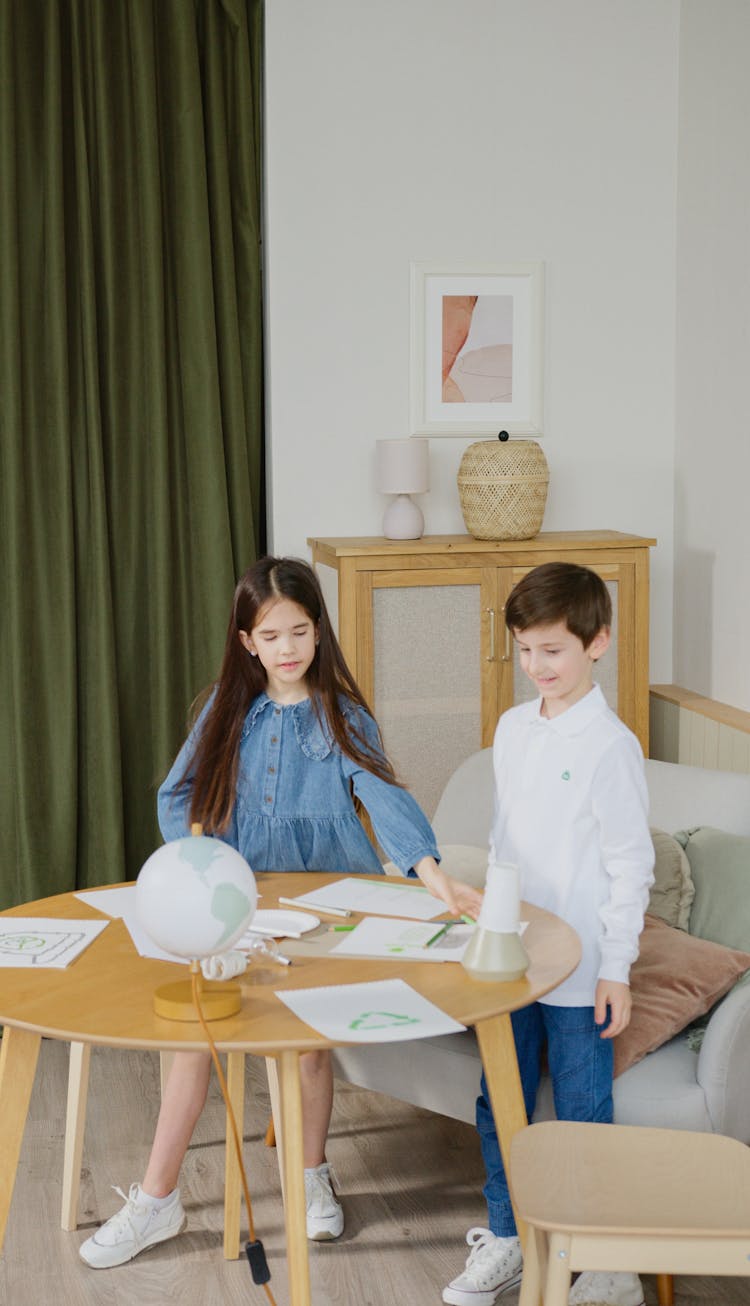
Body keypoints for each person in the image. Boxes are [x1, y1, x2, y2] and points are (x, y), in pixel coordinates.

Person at [79, 556, 482, 1270]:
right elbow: (179, 796)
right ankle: (156, 1199)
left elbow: (382, 796)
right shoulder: (223, 711)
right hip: (237, 905)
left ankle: (310, 1174)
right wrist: (202, 865)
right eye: (272, 635)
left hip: (328, 907)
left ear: (319, 633)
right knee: (192, 1036)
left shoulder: (342, 715)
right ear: (247, 642)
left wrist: (429, 871)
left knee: (306, 1047)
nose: (288, 647)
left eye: (301, 631)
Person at [442, 562, 654, 1306]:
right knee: (497, 1099)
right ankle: (504, 1237)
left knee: (582, 1111)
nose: (537, 666)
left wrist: (617, 969)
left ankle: (602, 1261)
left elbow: (631, 867)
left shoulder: (611, 747)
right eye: (525, 650)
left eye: (553, 650)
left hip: (582, 969)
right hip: (513, 959)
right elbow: (505, 848)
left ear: (597, 643)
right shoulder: (511, 729)